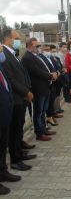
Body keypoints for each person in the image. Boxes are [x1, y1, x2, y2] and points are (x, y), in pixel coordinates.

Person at [2, 30, 36, 172]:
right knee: (14, 130)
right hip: (16, 99)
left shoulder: (12, 53)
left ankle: (19, 154)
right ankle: (15, 160)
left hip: (20, 98)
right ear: (8, 39)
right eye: (16, 39)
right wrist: (25, 92)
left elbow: (21, 74)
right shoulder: (4, 55)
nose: (19, 42)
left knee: (18, 128)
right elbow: (11, 78)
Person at [22, 38, 57, 141]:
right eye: (36, 46)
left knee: (43, 110)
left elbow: (44, 68)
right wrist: (50, 76)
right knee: (38, 111)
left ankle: (44, 128)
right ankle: (39, 133)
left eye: (38, 46)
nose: (38, 48)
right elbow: (36, 71)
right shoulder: (27, 57)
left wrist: (52, 74)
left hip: (45, 87)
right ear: (29, 46)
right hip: (38, 89)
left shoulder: (35, 56)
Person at [0, 45, 21, 195]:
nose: (1, 49)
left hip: (4, 113)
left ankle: (2, 172)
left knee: (2, 146)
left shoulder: (1, 66)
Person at [39, 44, 62, 127]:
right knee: (46, 104)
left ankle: (51, 116)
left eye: (48, 49)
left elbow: (55, 66)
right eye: (46, 49)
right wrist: (52, 75)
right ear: (41, 50)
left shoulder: (51, 57)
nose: (47, 51)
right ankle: (49, 118)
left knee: (51, 100)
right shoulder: (41, 58)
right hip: (48, 82)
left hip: (54, 81)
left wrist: (58, 72)